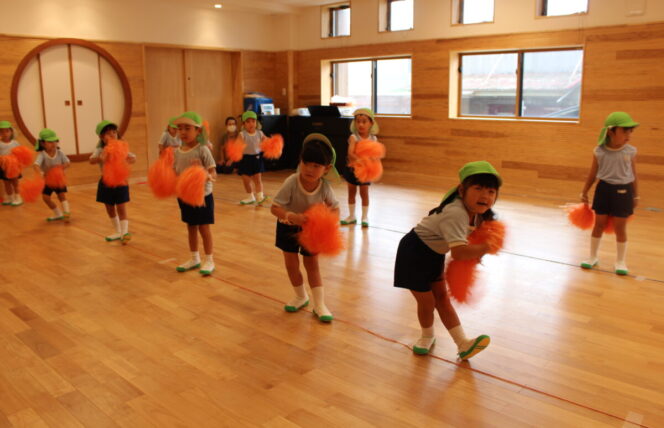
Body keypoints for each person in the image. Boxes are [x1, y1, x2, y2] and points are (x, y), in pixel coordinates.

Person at [394, 161, 501, 359]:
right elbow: (459, 253)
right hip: (413, 253)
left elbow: (468, 246)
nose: (485, 196)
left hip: (434, 254)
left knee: (442, 299)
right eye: (478, 188)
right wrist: (486, 247)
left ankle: (463, 344)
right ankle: (427, 336)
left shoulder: (478, 215)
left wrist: (480, 252)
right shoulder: (456, 213)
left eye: (491, 191)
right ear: (462, 190)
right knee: (427, 302)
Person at [270, 133, 340, 322]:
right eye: (305, 163)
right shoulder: (292, 181)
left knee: (312, 266)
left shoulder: (325, 187)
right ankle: (301, 296)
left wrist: (330, 222)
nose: (309, 169)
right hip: (287, 228)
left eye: (316, 166)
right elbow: (274, 208)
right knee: (292, 265)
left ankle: (319, 304)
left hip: (312, 231)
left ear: (327, 169)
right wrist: (291, 216)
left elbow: (335, 207)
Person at [580, 112, 639, 275]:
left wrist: (636, 195)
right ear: (611, 131)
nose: (629, 135)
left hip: (624, 191)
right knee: (598, 224)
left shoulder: (631, 151)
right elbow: (592, 174)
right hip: (603, 190)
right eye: (625, 131)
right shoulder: (599, 151)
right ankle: (592, 257)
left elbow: (634, 174)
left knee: (620, 227)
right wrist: (584, 191)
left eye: (631, 131)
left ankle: (620, 261)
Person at [173, 111, 217, 276]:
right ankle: (194, 258)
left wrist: (206, 175)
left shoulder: (203, 149)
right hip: (184, 196)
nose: (183, 132)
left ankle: (209, 259)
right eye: (179, 128)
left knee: (204, 229)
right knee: (191, 227)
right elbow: (175, 173)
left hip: (202, 197)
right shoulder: (177, 152)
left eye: (187, 128)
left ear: (198, 131)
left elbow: (213, 173)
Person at [89, 120, 136, 243]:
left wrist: (131, 159)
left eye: (114, 132)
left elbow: (132, 157)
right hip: (106, 182)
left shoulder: (122, 147)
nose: (112, 135)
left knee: (121, 206)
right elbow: (91, 160)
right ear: (101, 137)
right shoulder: (100, 149)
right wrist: (100, 158)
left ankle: (125, 232)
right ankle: (118, 231)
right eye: (108, 133)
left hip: (121, 181)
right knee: (109, 207)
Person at [341, 108, 381, 227]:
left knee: (364, 193)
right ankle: (352, 216)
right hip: (352, 169)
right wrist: (360, 160)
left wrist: (373, 161)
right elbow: (350, 153)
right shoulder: (354, 137)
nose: (361, 124)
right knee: (351, 193)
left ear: (371, 123)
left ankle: (365, 216)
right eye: (358, 121)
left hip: (366, 172)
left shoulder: (373, 139)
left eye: (364, 121)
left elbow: (375, 155)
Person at [33, 128, 71, 221]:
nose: (53, 144)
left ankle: (67, 213)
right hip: (47, 181)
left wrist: (60, 168)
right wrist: (40, 173)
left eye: (55, 141)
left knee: (61, 195)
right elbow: (36, 165)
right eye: (50, 142)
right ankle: (58, 213)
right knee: (46, 198)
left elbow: (68, 163)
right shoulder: (42, 154)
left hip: (59, 179)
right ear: (42, 143)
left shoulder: (60, 153)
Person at [237, 111, 267, 205]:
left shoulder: (260, 133)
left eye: (253, 121)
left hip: (257, 158)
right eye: (248, 121)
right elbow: (238, 146)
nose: (251, 124)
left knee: (258, 179)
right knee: (246, 180)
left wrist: (271, 143)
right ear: (243, 124)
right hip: (245, 159)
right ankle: (250, 197)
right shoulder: (242, 134)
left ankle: (260, 196)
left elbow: (267, 142)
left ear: (256, 123)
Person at [0, 120, 24, 206]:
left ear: (11, 132)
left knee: (15, 182)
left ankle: (18, 197)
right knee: (6, 183)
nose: (5, 133)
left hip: (14, 167)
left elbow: (21, 154)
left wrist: (19, 163)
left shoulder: (15, 143)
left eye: (7, 131)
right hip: (3, 167)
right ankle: (10, 197)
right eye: (2, 131)